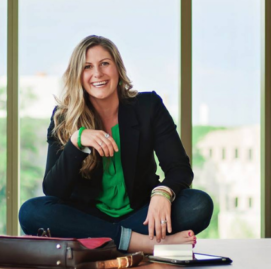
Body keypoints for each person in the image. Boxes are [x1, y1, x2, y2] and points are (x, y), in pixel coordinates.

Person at [19, 35, 213, 253]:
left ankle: (102, 242)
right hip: (87, 217)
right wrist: (77, 143)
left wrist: (162, 193)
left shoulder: (148, 107)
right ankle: (142, 244)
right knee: (31, 212)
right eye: (87, 67)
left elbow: (179, 168)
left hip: (142, 216)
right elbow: (53, 190)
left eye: (104, 64)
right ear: (78, 76)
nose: (97, 73)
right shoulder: (64, 116)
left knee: (198, 204)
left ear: (118, 69)